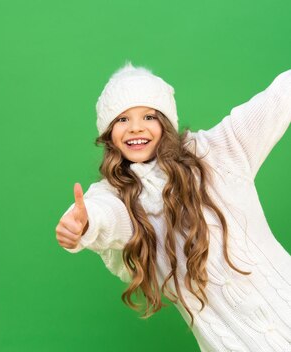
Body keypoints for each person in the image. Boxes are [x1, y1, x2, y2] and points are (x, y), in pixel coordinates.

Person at [55, 61, 291, 351]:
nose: (136, 128)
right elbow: (102, 213)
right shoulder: (119, 196)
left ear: (166, 122)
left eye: (149, 116)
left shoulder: (216, 153)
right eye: (122, 120)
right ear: (108, 133)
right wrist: (82, 224)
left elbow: (278, 99)